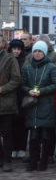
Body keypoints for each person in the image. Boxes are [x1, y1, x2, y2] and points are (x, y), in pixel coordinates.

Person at [22, 41, 56, 172]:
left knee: (45, 135)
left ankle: (44, 160)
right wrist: (28, 91)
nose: (37, 54)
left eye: (40, 51)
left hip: (46, 105)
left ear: (44, 53)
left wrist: (42, 91)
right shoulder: (27, 68)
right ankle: (33, 160)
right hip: (32, 106)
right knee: (33, 136)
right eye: (35, 51)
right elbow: (22, 84)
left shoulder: (51, 67)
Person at [0, 36, 21, 172]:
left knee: (7, 133)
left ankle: (7, 160)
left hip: (5, 103)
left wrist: (2, 89)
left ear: (3, 44)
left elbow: (16, 79)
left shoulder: (9, 58)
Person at [8, 40, 28, 160]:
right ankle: (13, 148)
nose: (16, 51)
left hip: (21, 97)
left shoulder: (24, 62)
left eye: (18, 49)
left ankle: (22, 148)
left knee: (22, 124)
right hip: (9, 97)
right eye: (14, 49)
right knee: (11, 125)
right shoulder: (7, 60)